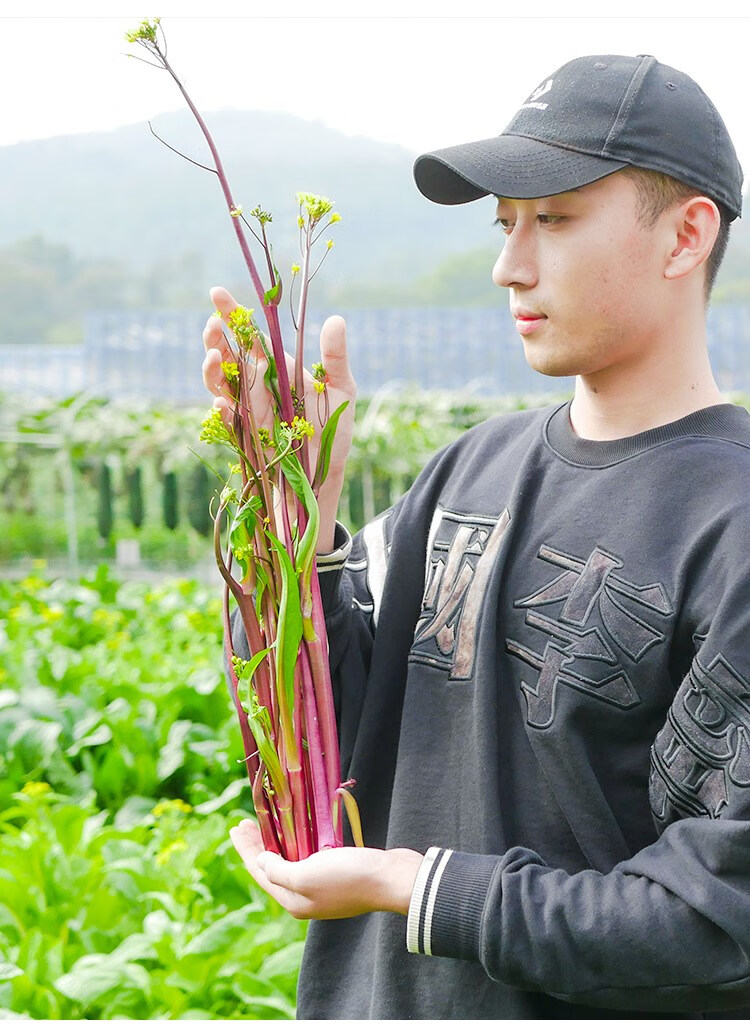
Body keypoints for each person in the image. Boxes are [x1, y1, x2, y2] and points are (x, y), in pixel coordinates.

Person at [205, 54, 750, 1018]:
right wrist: (294, 523)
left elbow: (716, 913)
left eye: (555, 219)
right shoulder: (468, 472)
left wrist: (419, 888)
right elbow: (333, 724)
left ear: (686, 235)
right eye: (506, 225)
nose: (510, 265)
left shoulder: (732, 524)